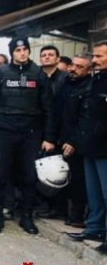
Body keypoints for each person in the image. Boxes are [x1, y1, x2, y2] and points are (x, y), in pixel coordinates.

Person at [0, 38, 56, 235]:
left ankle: (27, 217)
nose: (22, 53)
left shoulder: (39, 74)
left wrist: (49, 137)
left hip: (31, 132)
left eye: (25, 49)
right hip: (3, 131)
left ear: (29, 51)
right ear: (12, 52)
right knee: (0, 174)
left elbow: (49, 108)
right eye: (18, 50)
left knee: (29, 176)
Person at [68, 43, 107, 254]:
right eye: (95, 56)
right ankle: (95, 229)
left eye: (100, 56)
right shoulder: (97, 79)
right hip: (90, 145)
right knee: (94, 193)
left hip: (105, 146)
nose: (95, 60)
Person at [48, 54, 91, 226]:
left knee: (77, 179)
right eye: (73, 64)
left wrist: (73, 141)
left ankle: (77, 215)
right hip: (60, 137)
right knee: (60, 176)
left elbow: (85, 118)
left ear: (89, 70)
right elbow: (55, 111)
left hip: (76, 141)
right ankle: (59, 209)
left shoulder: (89, 87)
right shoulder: (65, 83)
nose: (73, 69)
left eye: (79, 67)